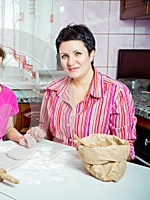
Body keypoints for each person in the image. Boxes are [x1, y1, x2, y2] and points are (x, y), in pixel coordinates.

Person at [27, 24, 137, 160]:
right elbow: (47, 133)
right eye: (64, 56)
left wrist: (96, 153)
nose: (70, 62)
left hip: (96, 172)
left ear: (91, 54)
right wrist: (40, 133)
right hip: (57, 168)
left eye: (77, 54)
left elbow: (127, 149)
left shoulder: (117, 93)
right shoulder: (52, 91)